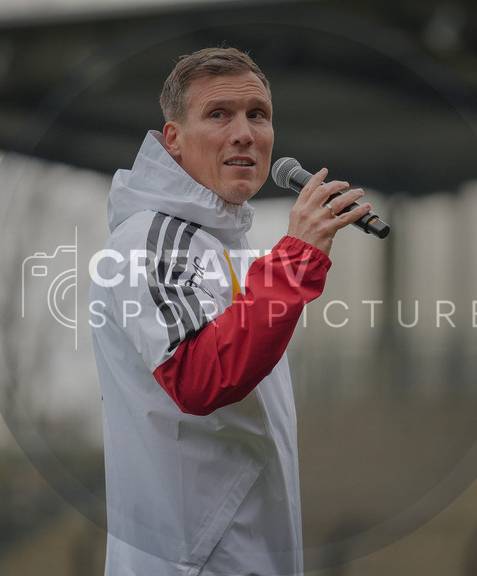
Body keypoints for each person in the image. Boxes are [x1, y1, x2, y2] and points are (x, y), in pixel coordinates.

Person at [90, 46, 370, 576]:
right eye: (219, 114)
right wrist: (294, 262)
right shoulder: (149, 241)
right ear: (173, 140)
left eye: (257, 115)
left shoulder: (221, 247)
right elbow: (199, 376)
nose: (244, 132)